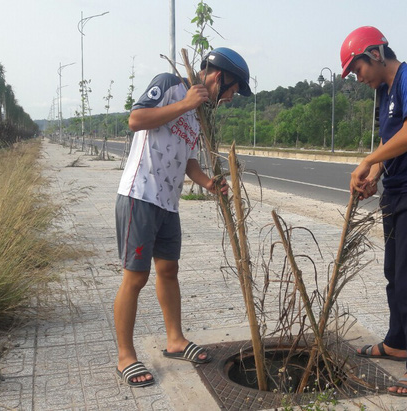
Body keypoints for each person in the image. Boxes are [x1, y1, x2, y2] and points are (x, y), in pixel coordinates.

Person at [113, 47, 252, 387]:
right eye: (233, 90)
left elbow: (189, 162)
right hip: (140, 195)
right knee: (136, 277)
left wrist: (208, 183)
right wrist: (185, 103)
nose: (231, 98)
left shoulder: (198, 115)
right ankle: (125, 356)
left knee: (169, 270)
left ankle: (175, 339)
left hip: (168, 203)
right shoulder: (170, 85)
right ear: (219, 77)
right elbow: (136, 119)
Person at [341, 26, 407, 397]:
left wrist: (367, 159)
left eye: (357, 69)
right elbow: (391, 140)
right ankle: (397, 343)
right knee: (393, 274)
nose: (359, 78)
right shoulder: (384, 91)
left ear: (375, 53)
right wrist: (375, 172)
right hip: (396, 191)